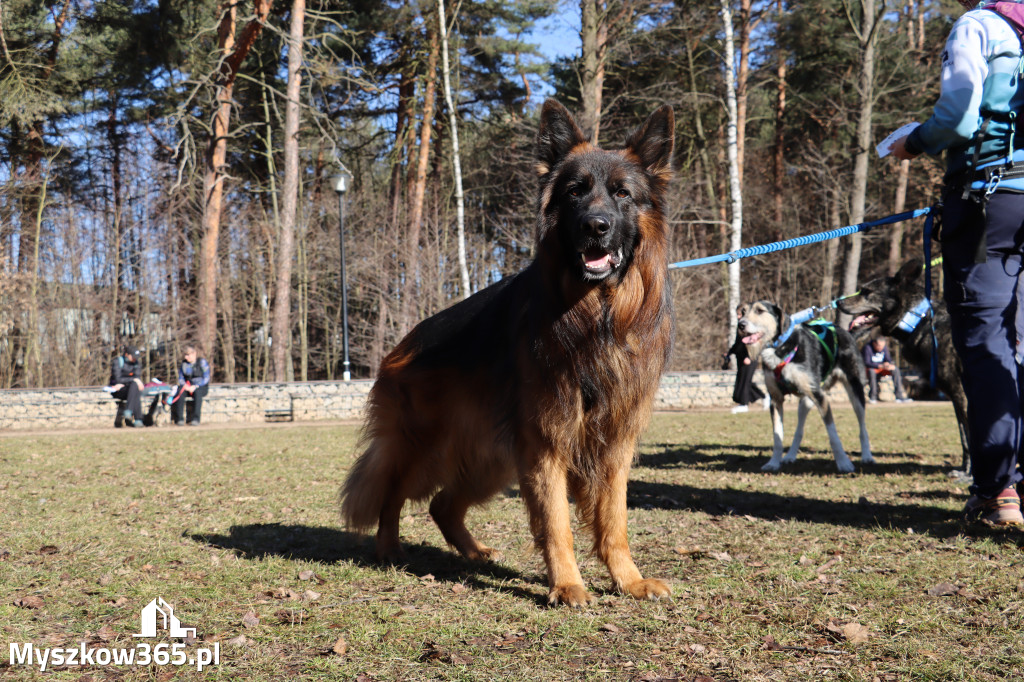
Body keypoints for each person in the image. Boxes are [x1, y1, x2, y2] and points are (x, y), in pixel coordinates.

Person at [891, 0, 1024, 526]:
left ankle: (997, 495)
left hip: (990, 198)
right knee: (1017, 343)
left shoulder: (980, 26)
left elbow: (960, 115)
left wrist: (913, 141)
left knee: (986, 341)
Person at [723, 315, 768, 414]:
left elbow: (754, 343)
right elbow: (738, 344)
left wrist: (749, 356)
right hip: (741, 358)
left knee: (745, 381)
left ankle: (744, 404)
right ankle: (764, 397)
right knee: (744, 381)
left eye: (740, 314)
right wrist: (729, 352)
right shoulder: (740, 327)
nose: (738, 316)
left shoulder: (750, 327)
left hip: (750, 359)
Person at [171, 345, 211, 426]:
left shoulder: (202, 362)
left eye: (188, 355)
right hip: (187, 386)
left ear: (194, 354)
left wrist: (196, 386)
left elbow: (206, 378)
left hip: (200, 387)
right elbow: (181, 378)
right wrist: (185, 386)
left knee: (198, 394)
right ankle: (180, 419)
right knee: (180, 392)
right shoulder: (184, 364)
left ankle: (196, 419)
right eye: (185, 355)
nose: (186, 357)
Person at [862, 337, 910, 404]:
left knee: (895, 369)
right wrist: (879, 366)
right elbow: (866, 362)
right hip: (872, 368)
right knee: (871, 372)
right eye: (879, 346)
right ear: (874, 344)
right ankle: (873, 397)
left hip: (883, 368)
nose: (881, 348)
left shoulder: (883, 347)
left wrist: (888, 364)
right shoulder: (867, 348)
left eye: (882, 346)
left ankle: (899, 396)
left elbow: (888, 359)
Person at [109, 344, 145, 428]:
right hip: (118, 390)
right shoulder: (118, 362)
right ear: (126, 355)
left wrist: (132, 381)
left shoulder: (137, 363)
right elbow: (118, 379)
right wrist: (133, 380)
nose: (134, 358)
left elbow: (137, 377)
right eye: (133, 356)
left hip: (131, 389)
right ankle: (138, 419)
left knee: (134, 387)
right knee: (135, 386)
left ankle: (129, 411)